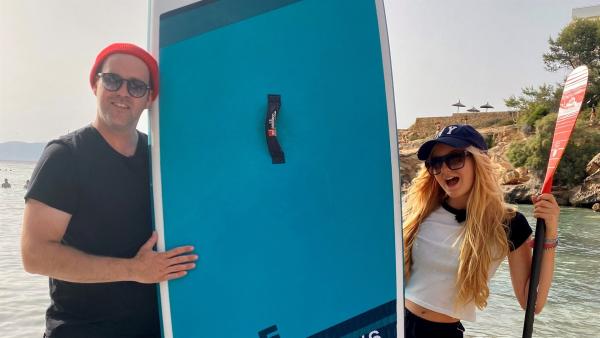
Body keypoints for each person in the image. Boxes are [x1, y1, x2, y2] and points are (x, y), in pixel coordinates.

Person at [21, 43, 197, 338]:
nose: (123, 92)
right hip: (80, 330)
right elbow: (34, 255)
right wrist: (133, 270)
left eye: (137, 86)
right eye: (113, 80)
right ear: (95, 84)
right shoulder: (65, 156)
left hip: (155, 328)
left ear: (150, 98)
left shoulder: (159, 160)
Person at [403, 124, 560, 338]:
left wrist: (550, 235)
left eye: (455, 158)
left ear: (479, 161)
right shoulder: (421, 211)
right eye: (435, 164)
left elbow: (532, 302)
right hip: (395, 323)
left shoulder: (508, 224)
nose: (445, 170)